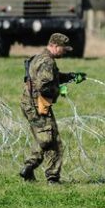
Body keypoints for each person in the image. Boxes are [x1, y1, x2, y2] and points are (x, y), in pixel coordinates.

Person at [19, 33, 86, 184]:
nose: (65, 52)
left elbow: (51, 77)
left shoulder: (40, 57)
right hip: (38, 104)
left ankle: (29, 170)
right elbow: (44, 86)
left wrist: (71, 76)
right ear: (55, 46)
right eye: (63, 49)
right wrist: (59, 89)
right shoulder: (47, 62)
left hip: (29, 103)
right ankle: (49, 176)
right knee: (52, 139)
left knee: (44, 137)